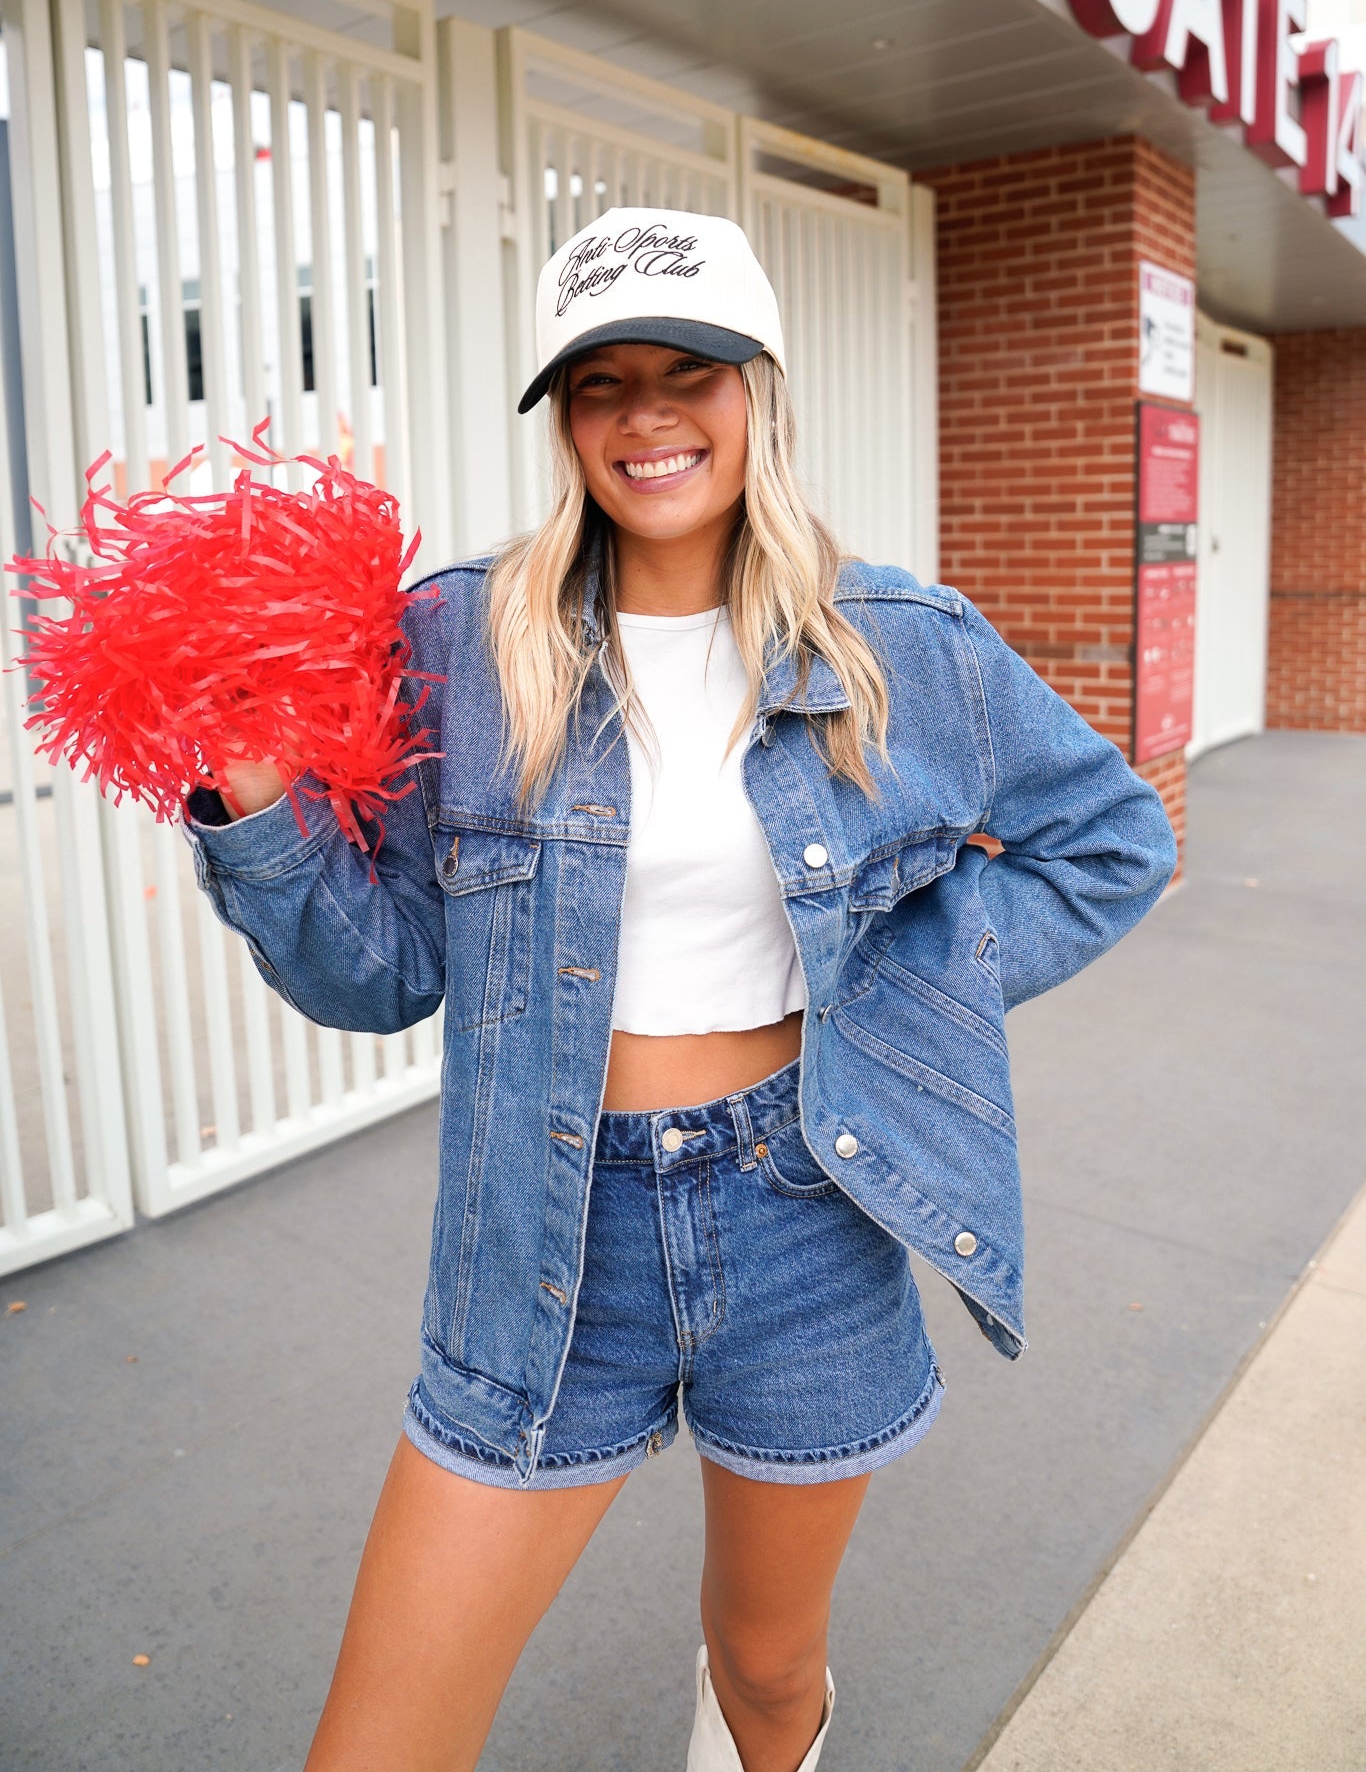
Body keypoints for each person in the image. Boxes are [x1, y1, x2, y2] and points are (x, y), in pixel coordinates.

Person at [184, 206, 1177, 1772]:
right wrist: (258, 806)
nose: (645, 417)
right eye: (599, 383)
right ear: (562, 417)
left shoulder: (898, 647)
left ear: (755, 392)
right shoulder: (453, 640)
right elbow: (379, 981)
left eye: (689, 370)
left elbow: (1111, 841)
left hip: (806, 1210)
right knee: (374, 1747)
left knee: (769, 1677)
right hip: (542, 1228)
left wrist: (917, 975)